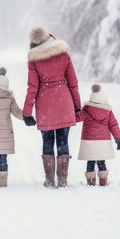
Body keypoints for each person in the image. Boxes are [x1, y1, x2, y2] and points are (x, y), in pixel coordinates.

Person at [22, 26, 81, 188]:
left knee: (47, 141)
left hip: (45, 105)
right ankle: (62, 180)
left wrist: (27, 112)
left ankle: (49, 180)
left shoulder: (34, 60)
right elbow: (73, 83)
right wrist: (77, 107)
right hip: (64, 102)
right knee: (63, 140)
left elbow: (32, 88)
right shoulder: (62, 53)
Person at [76, 84, 120, 186]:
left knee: (90, 162)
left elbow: (76, 118)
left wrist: (68, 113)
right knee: (101, 162)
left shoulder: (86, 110)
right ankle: (103, 182)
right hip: (103, 141)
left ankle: (91, 183)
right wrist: (118, 138)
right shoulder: (108, 112)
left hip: (89, 140)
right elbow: (113, 125)